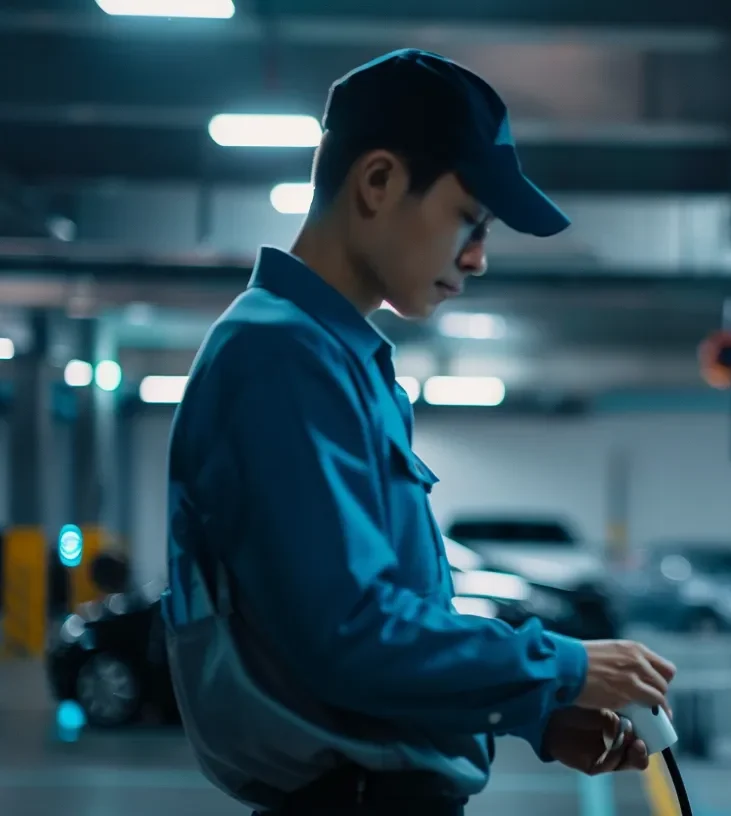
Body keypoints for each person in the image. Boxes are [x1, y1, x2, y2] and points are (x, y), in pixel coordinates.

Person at [161, 49, 677, 816]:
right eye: (468, 219)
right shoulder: (281, 356)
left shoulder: (340, 359)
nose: (477, 257)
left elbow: (378, 634)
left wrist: (537, 714)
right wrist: (563, 667)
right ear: (377, 183)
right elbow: (352, 636)